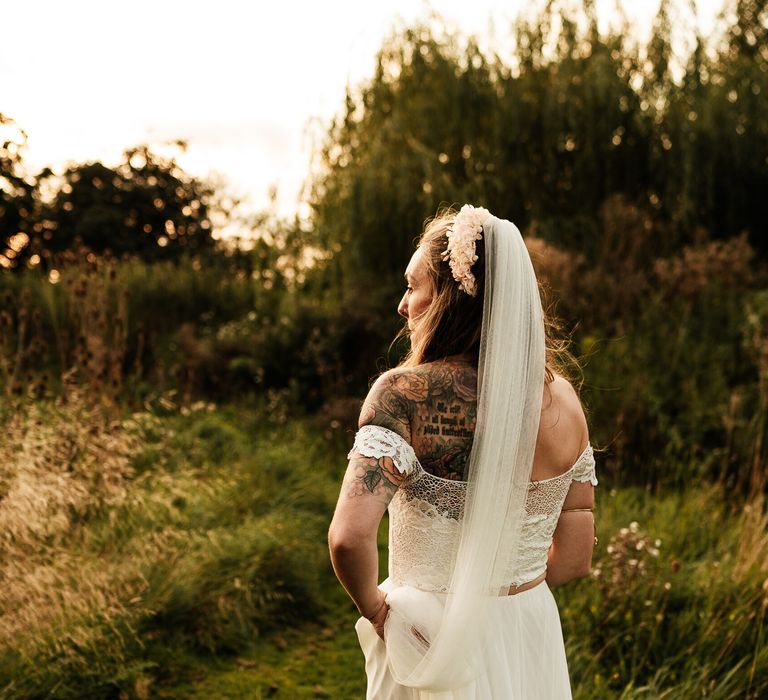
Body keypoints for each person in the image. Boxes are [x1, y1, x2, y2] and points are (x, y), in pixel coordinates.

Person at [328, 205, 598, 699]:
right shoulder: (563, 400)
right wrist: (508, 597)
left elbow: (348, 538)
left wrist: (379, 611)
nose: (403, 305)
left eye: (413, 286)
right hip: (527, 631)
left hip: (428, 636)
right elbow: (575, 559)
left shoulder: (402, 393)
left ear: (451, 297)